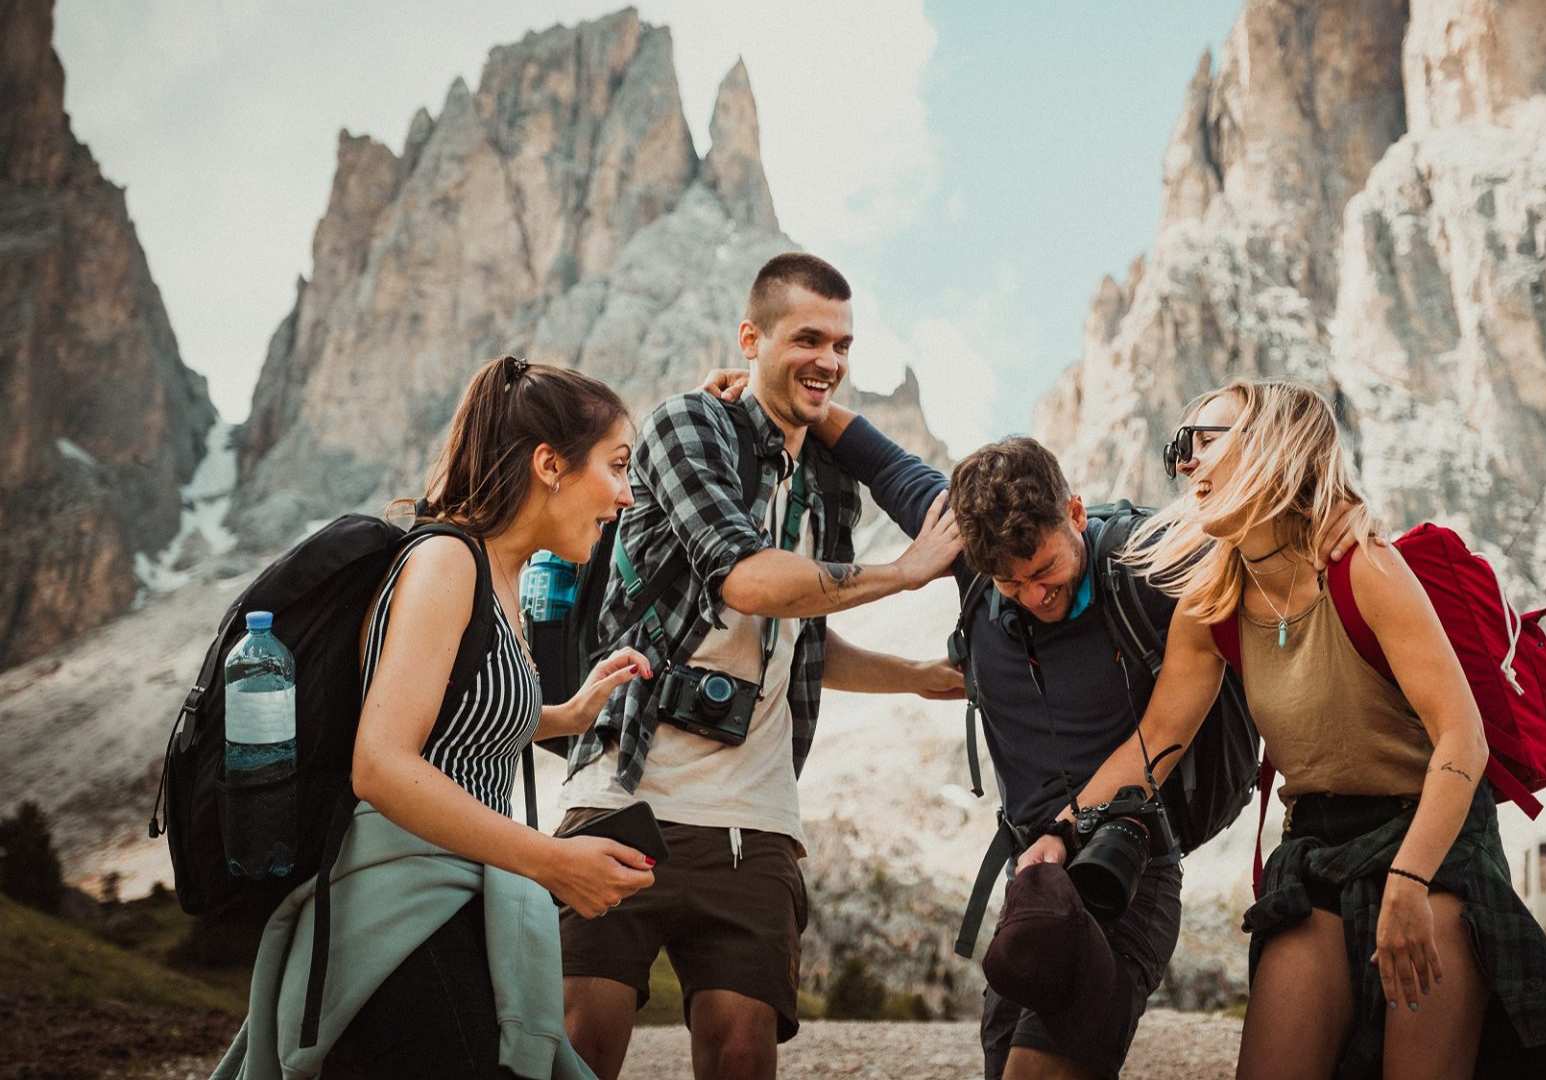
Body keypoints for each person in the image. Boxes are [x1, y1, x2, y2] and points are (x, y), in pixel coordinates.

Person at [696, 372, 1357, 1080]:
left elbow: (1273, 531)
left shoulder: (1149, 563)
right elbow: (882, 460)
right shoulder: (972, 555)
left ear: (1075, 512)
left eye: (1046, 569)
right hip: (1033, 879)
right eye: (1011, 585)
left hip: (1126, 869)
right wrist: (780, 393)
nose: (1035, 596)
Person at [1050, 378, 1546, 1079]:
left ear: (1274, 444)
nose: (1183, 464)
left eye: (1201, 442)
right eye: (1176, 450)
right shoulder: (1211, 601)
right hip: (1316, 849)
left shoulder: (1363, 567)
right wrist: (1060, 832)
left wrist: (1411, 878)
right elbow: (1156, 741)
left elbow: (1464, 739)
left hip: (1431, 838)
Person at [557, 253, 965, 1080]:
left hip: (758, 818)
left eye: (844, 344)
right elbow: (745, 578)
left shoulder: (828, 482)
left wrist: (917, 676)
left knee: (743, 1053)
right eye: (808, 337)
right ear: (751, 337)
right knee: (577, 1046)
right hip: (627, 793)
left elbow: (803, 637)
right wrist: (904, 572)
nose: (830, 359)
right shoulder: (686, 427)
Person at [215, 355, 662, 1079]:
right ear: (550, 464)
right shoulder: (447, 562)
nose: (625, 495)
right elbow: (383, 764)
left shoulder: (502, 577)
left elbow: (453, 720)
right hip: (402, 913)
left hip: (458, 897)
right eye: (615, 466)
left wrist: (567, 714)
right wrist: (552, 863)